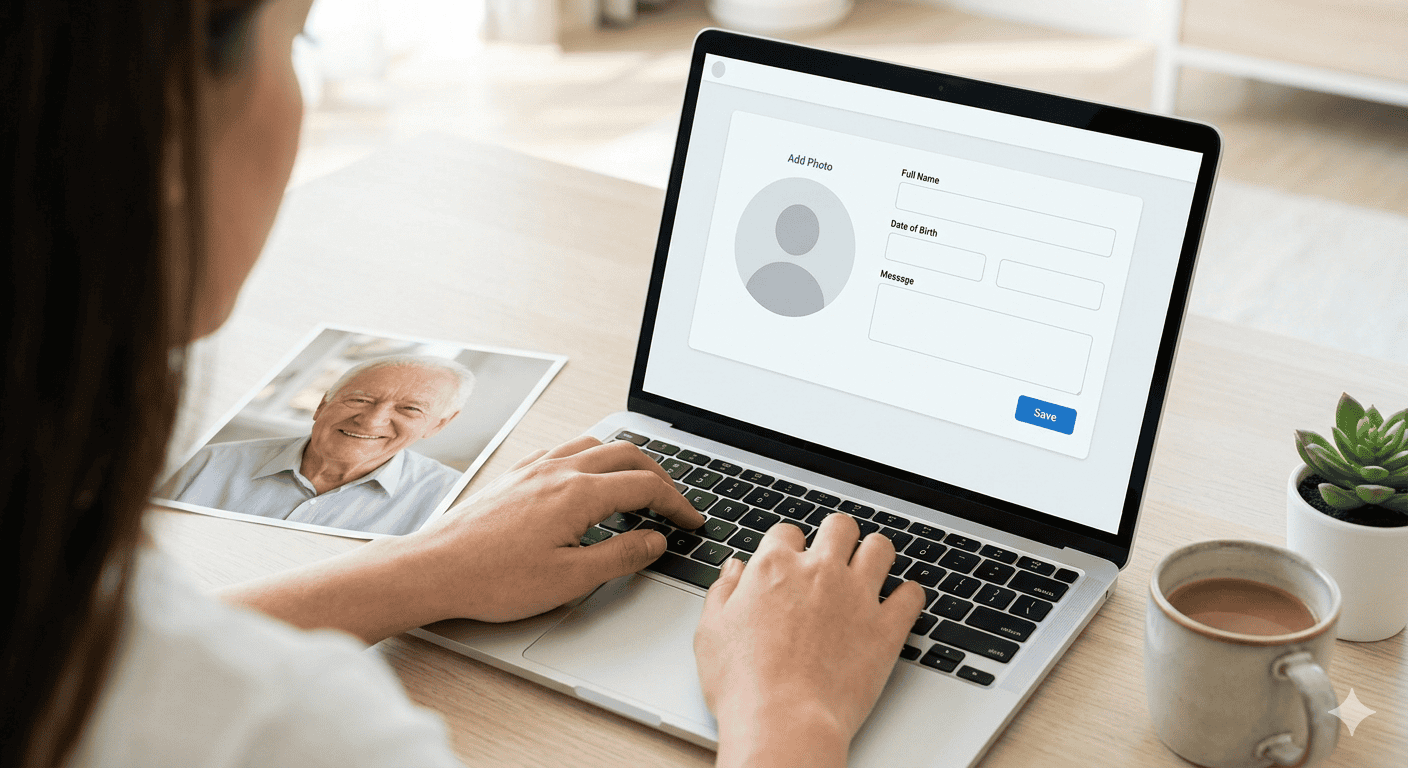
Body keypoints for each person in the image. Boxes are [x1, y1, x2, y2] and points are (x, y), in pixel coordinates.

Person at [0, 3, 926, 768]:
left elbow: (113, 656)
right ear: (166, 122)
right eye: (298, 40)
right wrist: (790, 713)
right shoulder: (299, 732)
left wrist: (423, 571)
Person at [159, 355, 471, 534]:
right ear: (323, 405)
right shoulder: (203, 462)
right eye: (359, 400)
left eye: (409, 409)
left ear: (439, 425)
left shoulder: (454, 504)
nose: (372, 421)